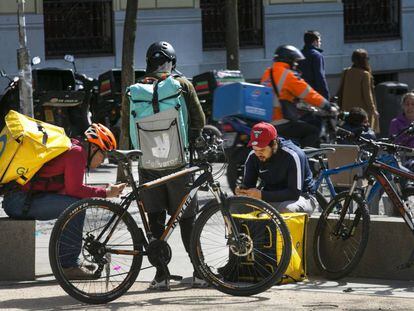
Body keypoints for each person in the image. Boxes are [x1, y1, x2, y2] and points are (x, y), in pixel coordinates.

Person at [2, 123, 125, 279]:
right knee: (76, 208)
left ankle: (70, 261)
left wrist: (102, 189)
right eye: (104, 154)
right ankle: (68, 266)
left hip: (18, 199)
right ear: (94, 149)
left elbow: (70, 188)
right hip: (19, 202)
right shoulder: (76, 153)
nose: (104, 160)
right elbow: (75, 190)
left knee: (75, 204)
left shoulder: (73, 148)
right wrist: (106, 193)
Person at [138, 41, 206, 290]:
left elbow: (127, 126)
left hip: (147, 163)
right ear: (173, 62)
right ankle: (199, 272)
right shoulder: (183, 85)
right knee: (188, 219)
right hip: (178, 162)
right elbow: (199, 119)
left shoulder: (136, 88)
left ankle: (161, 276)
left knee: (154, 219)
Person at [235, 122, 317, 216]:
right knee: (235, 206)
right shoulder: (253, 156)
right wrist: (242, 190)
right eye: (255, 149)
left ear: (273, 144)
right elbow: (249, 185)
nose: (258, 154)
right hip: (269, 198)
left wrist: (262, 195)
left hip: (302, 197)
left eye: (262, 150)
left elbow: (294, 193)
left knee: (286, 209)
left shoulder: (293, 155)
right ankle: (241, 231)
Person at [261, 44, 333, 148]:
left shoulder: (267, 73)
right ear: (289, 60)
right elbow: (308, 93)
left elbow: (281, 94)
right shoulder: (288, 75)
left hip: (267, 120)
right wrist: (327, 105)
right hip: (280, 121)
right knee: (313, 131)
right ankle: (301, 158)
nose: (295, 64)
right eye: (294, 61)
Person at [337, 48, 380, 133]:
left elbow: (340, 90)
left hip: (348, 112)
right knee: (364, 135)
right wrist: (373, 110)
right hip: (362, 113)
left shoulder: (346, 72)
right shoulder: (365, 74)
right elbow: (368, 95)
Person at [298, 30, 330, 100]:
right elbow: (320, 77)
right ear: (315, 41)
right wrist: (326, 97)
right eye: (320, 41)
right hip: (313, 94)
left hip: (300, 93)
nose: (320, 43)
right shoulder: (317, 55)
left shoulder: (299, 55)